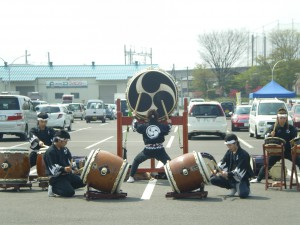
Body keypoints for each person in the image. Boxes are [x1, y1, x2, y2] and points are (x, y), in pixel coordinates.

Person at [251, 107, 300, 183]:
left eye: (284, 118)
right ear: (278, 118)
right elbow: (265, 136)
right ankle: (258, 178)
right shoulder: (274, 128)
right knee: (267, 164)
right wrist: (270, 135)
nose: (282, 120)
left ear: (286, 118)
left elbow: (295, 138)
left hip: (288, 151)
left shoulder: (291, 128)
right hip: (277, 151)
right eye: (280, 118)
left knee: (299, 161)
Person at [126, 109, 172, 183]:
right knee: (170, 164)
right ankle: (175, 178)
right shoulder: (161, 125)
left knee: (136, 160)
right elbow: (168, 129)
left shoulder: (145, 126)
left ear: (148, 117)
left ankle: (131, 177)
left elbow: (135, 127)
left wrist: (134, 117)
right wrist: (169, 123)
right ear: (157, 117)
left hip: (148, 150)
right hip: (160, 150)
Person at [43, 129, 85, 197]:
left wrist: (75, 168)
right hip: (56, 178)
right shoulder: (50, 152)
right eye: (65, 141)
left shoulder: (65, 149)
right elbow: (53, 168)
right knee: (70, 193)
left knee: (84, 181)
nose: (66, 143)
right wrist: (64, 169)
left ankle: (65, 186)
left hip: (66, 175)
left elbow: (70, 160)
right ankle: (53, 188)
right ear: (60, 140)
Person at [210, 133, 253, 198]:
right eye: (227, 145)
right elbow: (222, 162)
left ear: (236, 143)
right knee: (213, 179)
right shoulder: (229, 152)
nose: (229, 147)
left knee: (242, 194)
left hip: (241, 179)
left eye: (230, 145)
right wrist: (216, 170)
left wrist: (227, 174)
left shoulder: (244, 155)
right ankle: (233, 187)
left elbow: (239, 171)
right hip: (230, 177)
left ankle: (245, 187)